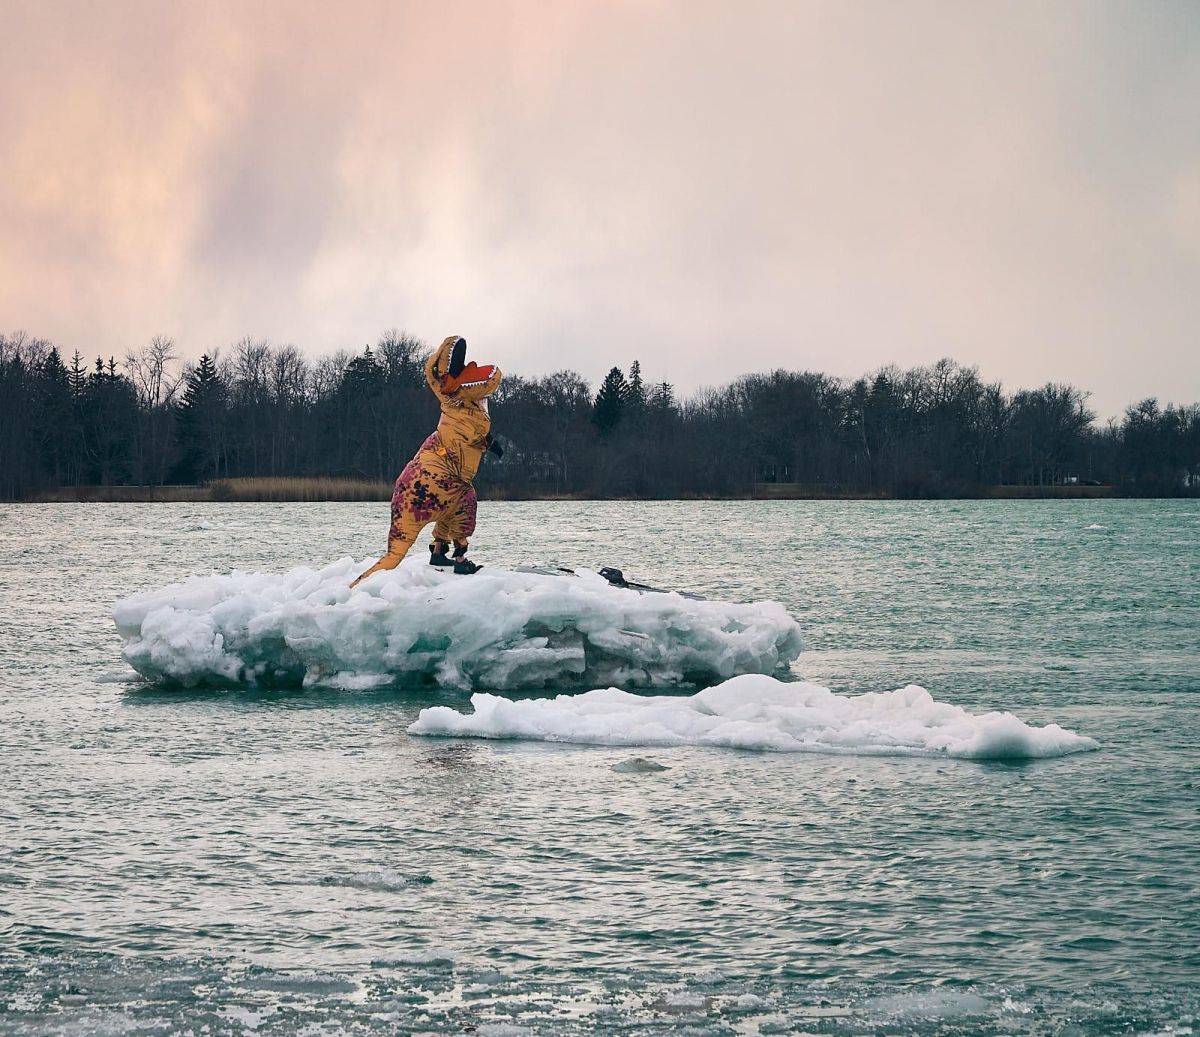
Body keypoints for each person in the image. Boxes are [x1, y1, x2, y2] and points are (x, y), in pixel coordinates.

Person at [351, 336, 501, 587]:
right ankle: (461, 556)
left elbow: (473, 436)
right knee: (463, 496)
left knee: (453, 499)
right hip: (428, 483)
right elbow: (472, 437)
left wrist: (490, 443)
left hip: (416, 484)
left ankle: (439, 551)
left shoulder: (459, 411)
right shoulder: (458, 407)